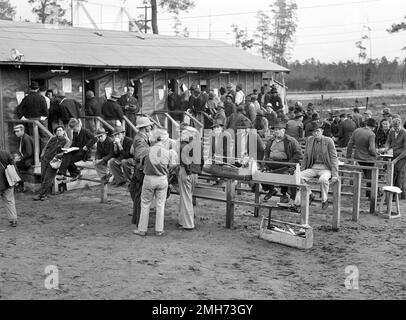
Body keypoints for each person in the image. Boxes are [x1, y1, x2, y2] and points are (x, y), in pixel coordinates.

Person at [133, 128, 178, 237]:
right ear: (163, 139)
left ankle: (142, 229)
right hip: (162, 179)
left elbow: (139, 162)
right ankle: (159, 230)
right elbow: (172, 166)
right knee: (160, 205)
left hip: (149, 178)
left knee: (145, 204)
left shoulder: (146, 151)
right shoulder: (169, 152)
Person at [294, 122, 339, 210]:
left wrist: (335, 174)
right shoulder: (310, 140)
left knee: (322, 180)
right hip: (313, 167)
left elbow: (334, 158)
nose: (316, 133)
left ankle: (324, 200)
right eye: (314, 132)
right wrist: (301, 170)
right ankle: (310, 193)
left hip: (325, 168)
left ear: (322, 131)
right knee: (298, 176)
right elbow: (306, 156)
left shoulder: (328, 141)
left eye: (318, 131)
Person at [262, 122, 303, 203]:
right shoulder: (271, 140)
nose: (276, 131)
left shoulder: (291, 141)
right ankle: (271, 189)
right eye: (275, 130)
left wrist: (290, 163)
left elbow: (298, 154)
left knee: (284, 176)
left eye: (278, 129)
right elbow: (266, 152)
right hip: (271, 163)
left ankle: (284, 194)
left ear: (283, 130)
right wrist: (266, 160)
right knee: (260, 174)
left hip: (285, 164)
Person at [33, 126, 70, 201]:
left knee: (48, 178)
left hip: (54, 162)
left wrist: (57, 158)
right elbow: (46, 147)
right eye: (57, 130)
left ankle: (41, 194)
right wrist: (42, 155)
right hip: (45, 159)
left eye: (60, 130)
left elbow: (65, 152)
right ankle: (44, 194)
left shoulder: (66, 141)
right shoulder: (52, 138)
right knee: (43, 177)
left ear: (63, 131)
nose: (58, 132)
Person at [129, 117, 154, 226]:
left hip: (139, 169)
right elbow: (140, 155)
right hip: (141, 170)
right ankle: (140, 221)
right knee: (141, 196)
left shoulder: (141, 137)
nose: (150, 126)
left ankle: (136, 219)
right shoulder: (140, 139)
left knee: (139, 195)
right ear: (144, 127)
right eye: (149, 125)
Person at [346, 118, 378, 197]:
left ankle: (370, 192)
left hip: (358, 157)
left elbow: (350, 144)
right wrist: (376, 155)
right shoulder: (371, 134)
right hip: (368, 159)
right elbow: (371, 149)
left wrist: (348, 156)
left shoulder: (357, 130)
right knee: (371, 176)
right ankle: (371, 194)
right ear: (373, 127)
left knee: (368, 175)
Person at [177, 126, 199, 231]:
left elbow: (185, 161)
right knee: (186, 197)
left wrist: (188, 172)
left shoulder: (183, 146)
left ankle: (188, 224)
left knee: (186, 198)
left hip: (186, 172)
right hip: (195, 173)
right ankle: (182, 220)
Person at [382, 114, 406, 190]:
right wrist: (386, 149)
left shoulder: (404, 133)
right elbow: (388, 142)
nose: (396, 129)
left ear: (400, 125)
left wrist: (396, 159)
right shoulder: (391, 132)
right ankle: (391, 189)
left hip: (402, 156)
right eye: (394, 127)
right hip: (393, 154)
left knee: (396, 170)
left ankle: (395, 192)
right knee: (389, 169)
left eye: (397, 127)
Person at [0, 149, 18, 227]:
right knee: (9, 200)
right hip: (8, 181)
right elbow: (14, 166)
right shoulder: (6, 153)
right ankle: (13, 220)